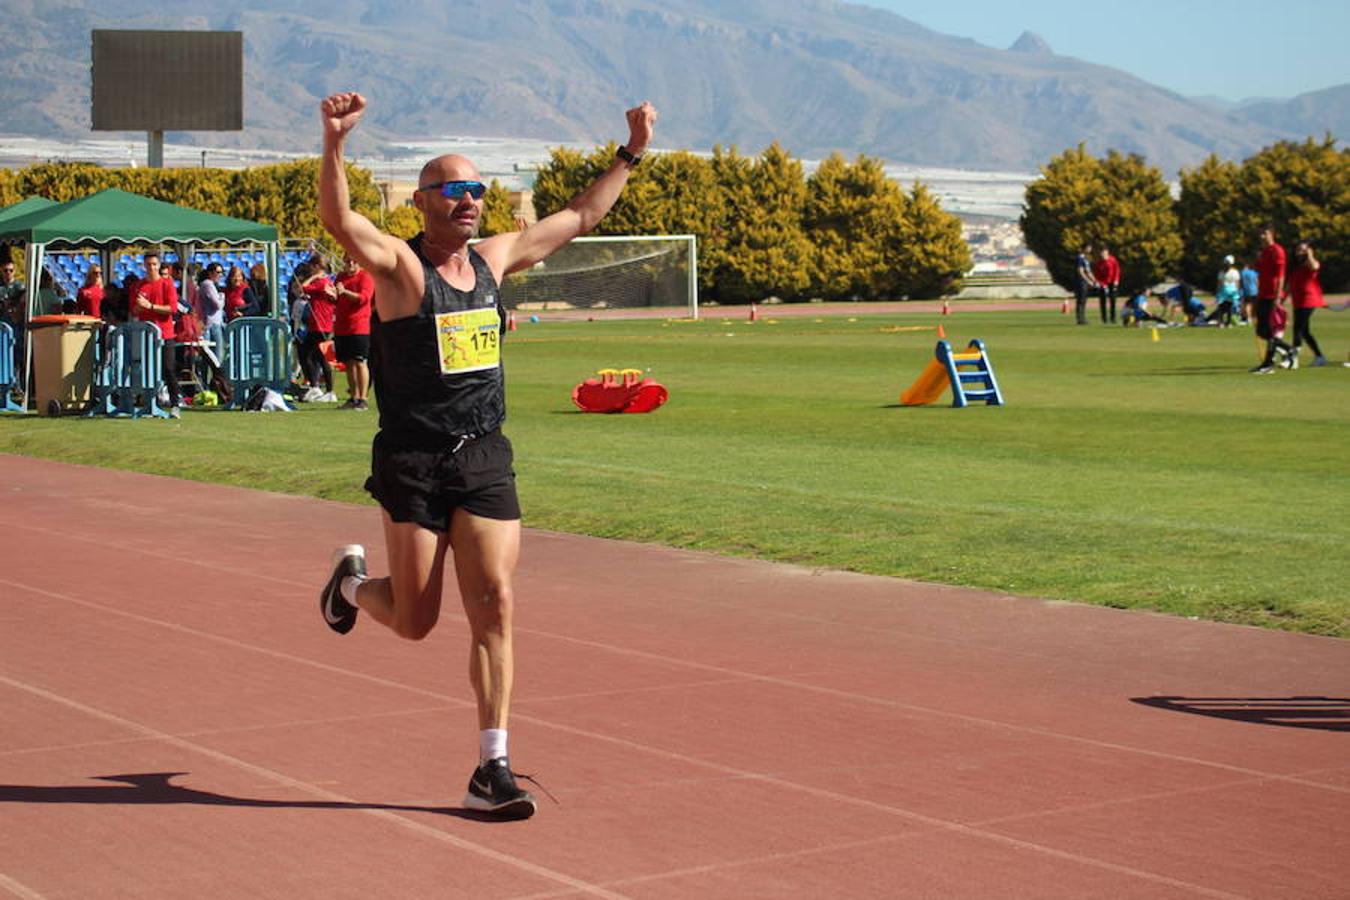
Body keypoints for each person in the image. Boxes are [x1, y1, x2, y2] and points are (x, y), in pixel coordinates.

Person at [315, 89, 656, 820]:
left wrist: (629, 152)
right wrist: (335, 143)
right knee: (414, 621)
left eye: (475, 190)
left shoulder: (496, 259)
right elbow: (341, 221)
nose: (469, 201)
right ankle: (349, 588)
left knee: (496, 604)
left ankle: (490, 767)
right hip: (412, 458)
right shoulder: (404, 273)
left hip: (483, 455)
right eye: (453, 190)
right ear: (424, 202)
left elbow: (581, 216)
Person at [132, 250, 183, 416]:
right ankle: (149, 402)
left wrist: (151, 306)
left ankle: (175, 404)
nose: (151, 267)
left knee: (168, 369)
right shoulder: (139, 286)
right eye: (148, 264)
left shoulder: (167, 284)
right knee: (146, 369)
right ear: (144, 265)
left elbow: (172, 309)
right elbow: (134, 310)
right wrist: (139, 307)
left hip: (165, 334)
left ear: (159, 265)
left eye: (154, 264)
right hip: (146, 334)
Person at [333, 254, 375, 410]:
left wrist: (344, 292)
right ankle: (353, 397)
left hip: (359, 326)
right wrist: (331, 295)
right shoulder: (340, 277)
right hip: (342, 326)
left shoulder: (365, 277)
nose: (350, 263)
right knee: (348, 363)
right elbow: (337, 299)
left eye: (353, 260)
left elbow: (364, 299)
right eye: (347, 260)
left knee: (360, 362)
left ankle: (363, 398)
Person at [1251, 225, 1293, 374]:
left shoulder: (1277, 251)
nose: (1262, 236)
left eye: (1265, 233)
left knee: (1270, 331)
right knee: (1261, 331)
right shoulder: (1264, 252)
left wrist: (1278, 296)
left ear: (1272, 234)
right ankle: (1289, 349)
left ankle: (1268, 364)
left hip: (1272, 296)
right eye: (1260, 234)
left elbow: (1281, 275)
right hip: (1262, 295)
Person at [299, 260, 338, 402]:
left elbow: (303, 287)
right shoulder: (325, 283)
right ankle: (317, 386)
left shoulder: (322, 283)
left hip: (321, 325)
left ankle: (327, 390)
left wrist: (314, 277)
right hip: (318, 324)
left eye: (312, 266)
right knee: (311, 355)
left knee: (316, 356)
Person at [1285, 241, 1328, 368]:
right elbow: (1288, 286)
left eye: (1303, 250)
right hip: (1298, 301)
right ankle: (1320, 357)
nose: (1299, 253)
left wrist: (1310, 255)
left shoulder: (1309, 263)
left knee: (1297, 329)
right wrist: (1280, 300)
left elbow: (1315, 266)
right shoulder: (1294, 267)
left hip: (1309, 300)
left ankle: (1293, 359)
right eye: (1298, 250)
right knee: (1304, 332)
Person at [0, 259, 26, 389]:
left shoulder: (20, 287)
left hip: (16, 325)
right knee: (3, 355)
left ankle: (18, 385)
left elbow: (23, 304)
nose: (8, 273)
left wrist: (15, 311)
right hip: (3, 325)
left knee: (17, 356)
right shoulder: (1, 288)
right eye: (5, 270)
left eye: (11, 270)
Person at [197, 262, 227, 368]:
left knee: (214, 357)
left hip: (214, 322)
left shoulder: (210, 285)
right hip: (211, 324)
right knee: (215, 357)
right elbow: (218, 305)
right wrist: (222, 297)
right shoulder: (207, 284)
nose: (220, 275)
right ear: (210, 273)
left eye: (221, 272)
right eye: (217, 272)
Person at [1205, 255, 1241, 327]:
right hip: (1227, 291)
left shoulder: (1227, 272)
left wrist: (1217, 292)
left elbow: (1220, 284)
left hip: (1227, 291)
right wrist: (1237, 291)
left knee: (1225, 308)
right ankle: (1225, 323)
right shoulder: (1233, 272)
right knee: (1225, 307)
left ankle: (1224, 322)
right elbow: (1237, 283)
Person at [1092, 245, 1120, 324]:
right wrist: (1101, 284)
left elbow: (1117, 271)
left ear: (1107, 253)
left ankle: (1113, 318)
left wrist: (1116, 280)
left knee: (1113, 301)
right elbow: (1097, 275)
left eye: (1104, 253)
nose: (1103, 255)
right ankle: (1104, 319)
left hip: (1112, 283)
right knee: (1102, 301)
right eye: (1102, 253)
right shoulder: (1099, 263)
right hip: (1103, 284)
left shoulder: (1113, 260)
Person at [1072, 244, 1096, 325]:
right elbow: (1081, 272)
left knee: (1084, 301)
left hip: (1085, 282)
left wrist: (1094, 280)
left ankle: (1083, 318)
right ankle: (1080, 319)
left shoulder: (1086, 259)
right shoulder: (1080, 258)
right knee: (1080, 301)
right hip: (1080, 282)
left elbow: (1088, 271)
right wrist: (1088, 281)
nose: (1090, 250)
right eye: (1088, 248)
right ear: (1084, 249)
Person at [1239, 257, 1259, 325]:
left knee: (1247, 305)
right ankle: (1254, 318)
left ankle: (1248, 318)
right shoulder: (1254, 272)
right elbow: (1257, 281)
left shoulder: (1242, 272)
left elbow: (1240, 283)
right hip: (1254, 290)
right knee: (1254, 305)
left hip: (1246, 291)